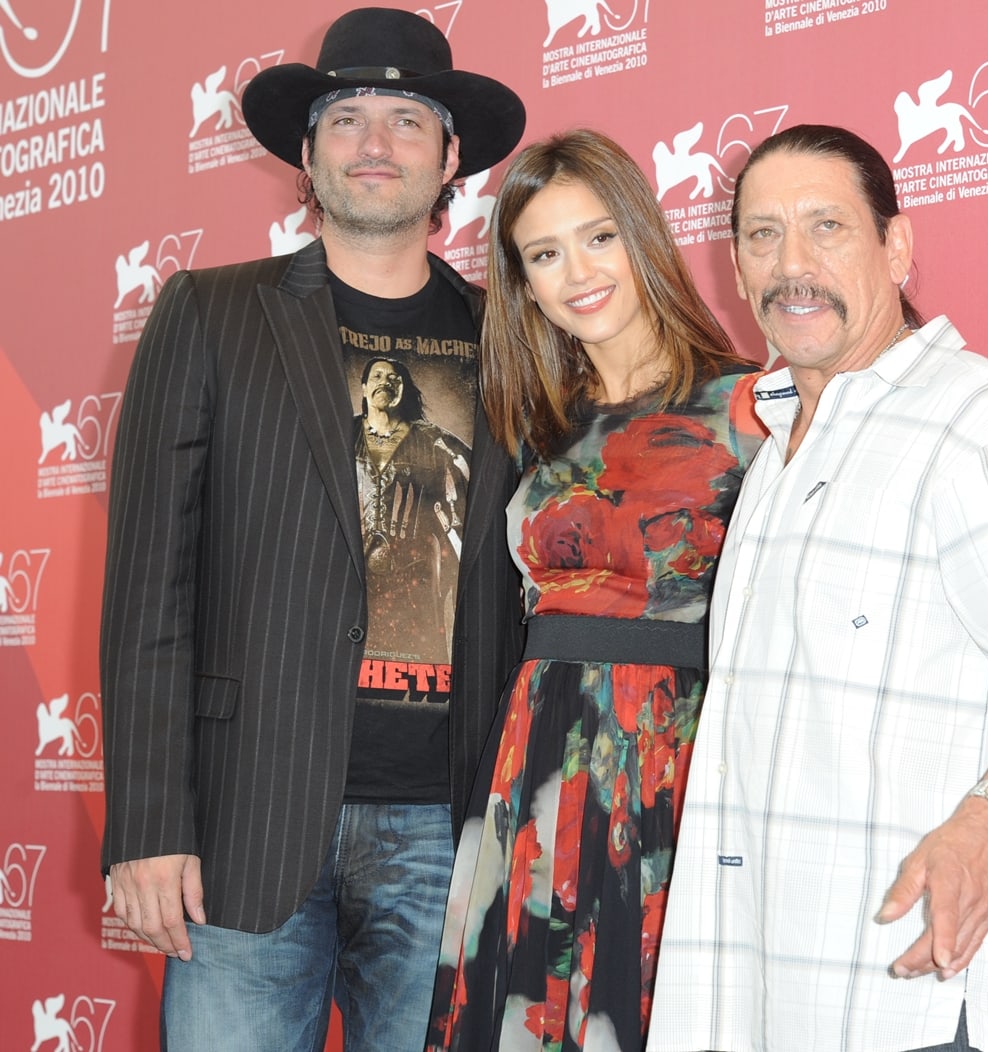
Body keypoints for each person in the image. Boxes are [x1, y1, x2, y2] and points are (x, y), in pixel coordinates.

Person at [647, 124, 988, 1052]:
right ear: (736, 273)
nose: (793, 266)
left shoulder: (983, 416)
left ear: (896, 248)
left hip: (916, 996)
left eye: (827, 227)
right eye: (761, 236)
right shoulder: (775, 455)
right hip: (768, 990)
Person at [99, 9, 526, 1050]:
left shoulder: (515, 340)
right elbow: (150, 587)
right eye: (346, 118)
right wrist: (150, 824)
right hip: (248, 821)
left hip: (447, 828)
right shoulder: (208, 312)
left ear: (450, 155)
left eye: (405, 120)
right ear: (306, 150)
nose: (374, 144)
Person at [425, 129, 767, 1052]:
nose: (577, 270)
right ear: (522, 281)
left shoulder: (753, 407)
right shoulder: (529, 427)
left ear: (643, 238)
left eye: (599, 236)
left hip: (679, 763)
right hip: (534, 765)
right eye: (544, 253)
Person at [355, 355, 471, 661]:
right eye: (377, 376)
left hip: (411, 572)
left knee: (413, 657)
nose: (386, 383)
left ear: (404, 389)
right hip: (349, 571)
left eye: (395, 379)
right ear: (364, 387)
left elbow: (467, 487)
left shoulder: (432, 441)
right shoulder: (341, 434)